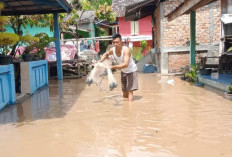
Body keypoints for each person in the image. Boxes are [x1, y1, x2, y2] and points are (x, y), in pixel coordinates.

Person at [99, 33, 138, 101]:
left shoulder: (126, 50)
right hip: (123, 72)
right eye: (113, 42)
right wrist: (100, 61)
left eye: (117, 42)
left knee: (130, 92)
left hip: (131, 71)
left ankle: (130, 109)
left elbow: (126, 64)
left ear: (121, 42)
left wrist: (113, 67)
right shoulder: (112, 50)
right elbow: (106, 54)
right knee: (124, 92)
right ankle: (125, 108)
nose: (115, 44)